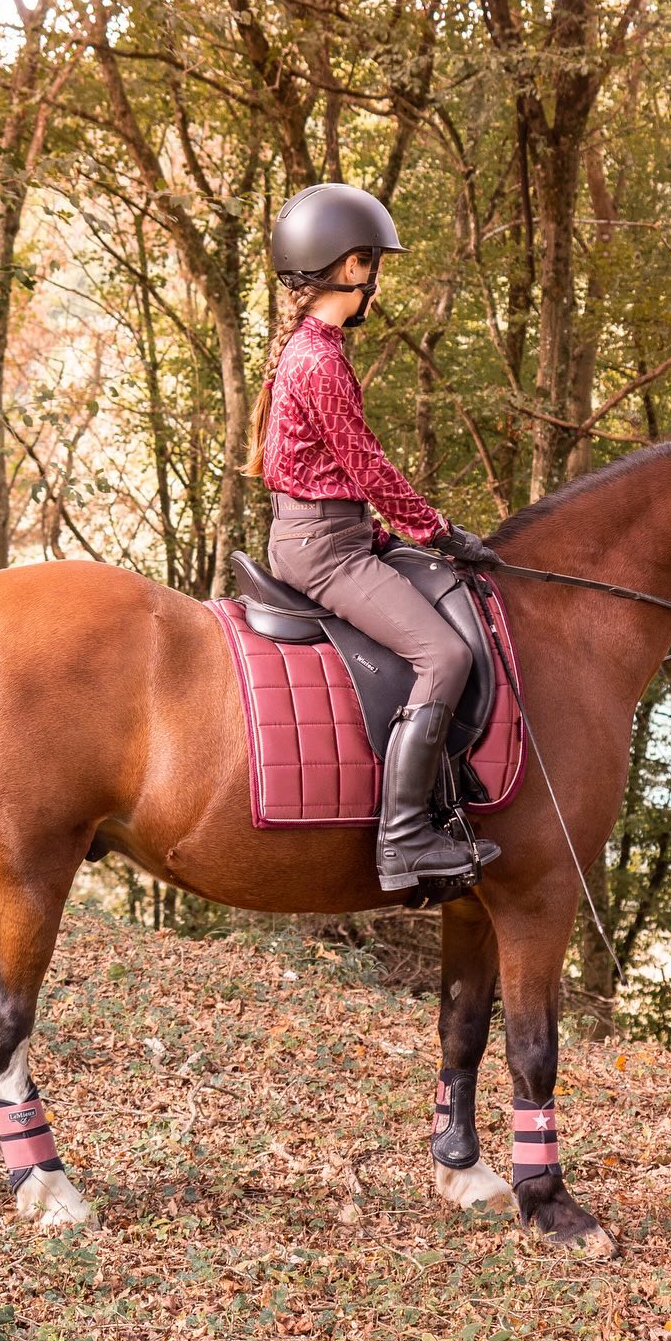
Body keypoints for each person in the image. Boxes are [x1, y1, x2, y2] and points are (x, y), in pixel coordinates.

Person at [246, 182, 502, 892]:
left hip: (336, 531)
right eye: (373, 264)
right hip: (324, 548)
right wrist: (438, 532)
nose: (375, 280)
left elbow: (342, 471)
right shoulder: (320, 361)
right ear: (352, 267)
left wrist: (397, 532)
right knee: (446, 654)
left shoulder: (308, 347)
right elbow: (367, 464)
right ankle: (403, 842)